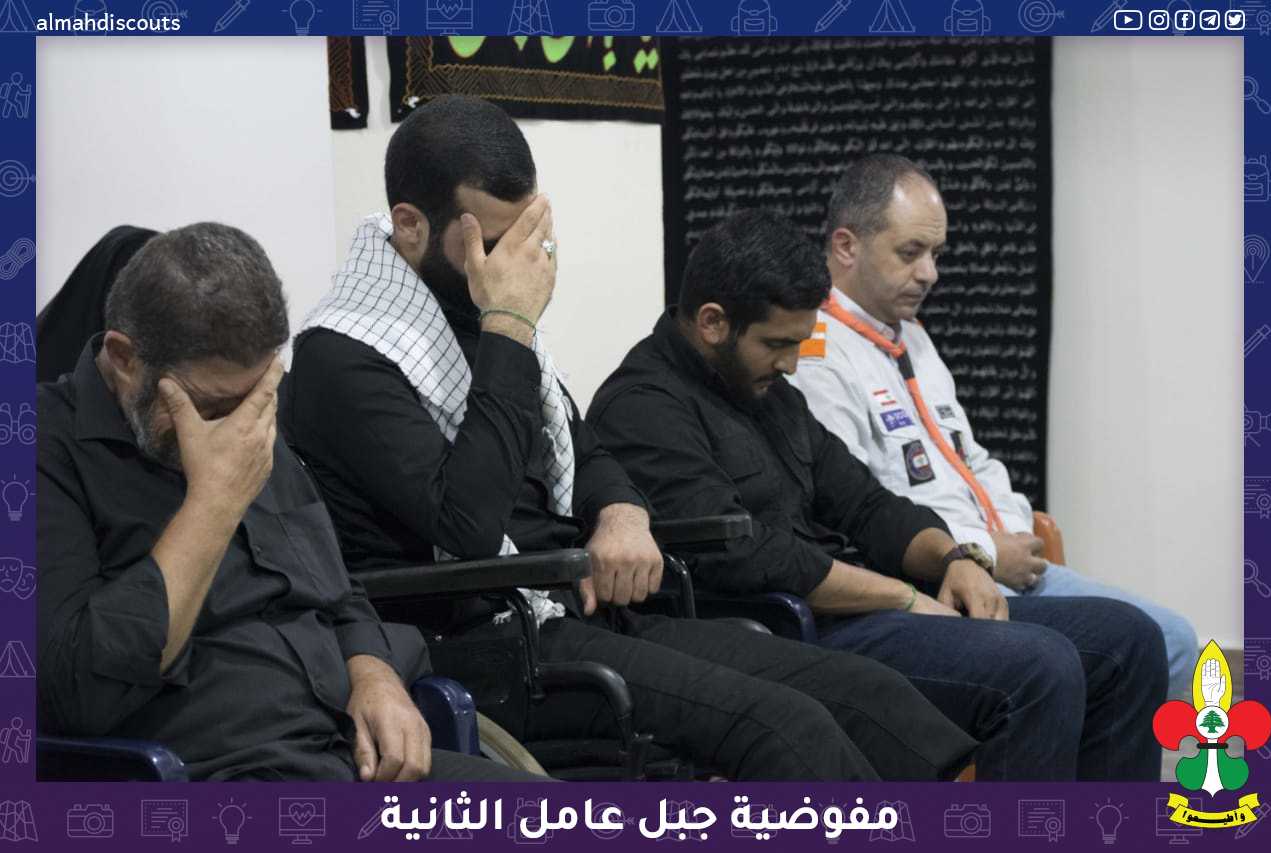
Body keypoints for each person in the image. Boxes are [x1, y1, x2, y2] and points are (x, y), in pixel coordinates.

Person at [283, 95, 976, 782]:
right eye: (492, 242)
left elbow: (581, 449)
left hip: (579, 605)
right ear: (410, 225)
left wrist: (621, 511)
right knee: (785, 724)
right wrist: (510, 328)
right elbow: (466, 526)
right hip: (482, 634)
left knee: (866, 692)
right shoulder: (344, 354)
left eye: (525, 234)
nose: (513, 261)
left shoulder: (476, 302)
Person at [587, 208, 1168, 781]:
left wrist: (954, 559)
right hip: (792, 631)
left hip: (863, 608)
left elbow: (866, 502)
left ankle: (1103, 827)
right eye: (777, 344)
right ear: (713, 323)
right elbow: (749, 557)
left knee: (1128, 639)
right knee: (1039, 665)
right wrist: (902, 597)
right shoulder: (643, 406)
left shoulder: (767, 391)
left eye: (798, 343)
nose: (791, 363)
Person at [37, 222, 542, 782]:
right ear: (124, 358)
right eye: (210, 406)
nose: (238, 428)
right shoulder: (41, 448)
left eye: (257, 396)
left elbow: (339, 592)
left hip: (344, 752)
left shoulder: (245, 412)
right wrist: (213, 503)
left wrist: (373, 672)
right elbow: (73, 692)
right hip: (218, 777)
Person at [787, 154, 1198, 699]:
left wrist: (1013, 531)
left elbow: (968, 456)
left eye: (936, 254)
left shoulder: (910, 335)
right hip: (941, 580)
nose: (930, 273)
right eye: (910, 252)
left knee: (1173, 640)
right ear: (846, 246)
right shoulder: (814, 353)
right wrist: (983, 551)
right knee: (1160, 643)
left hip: (1010, 564)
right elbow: (855, 513)